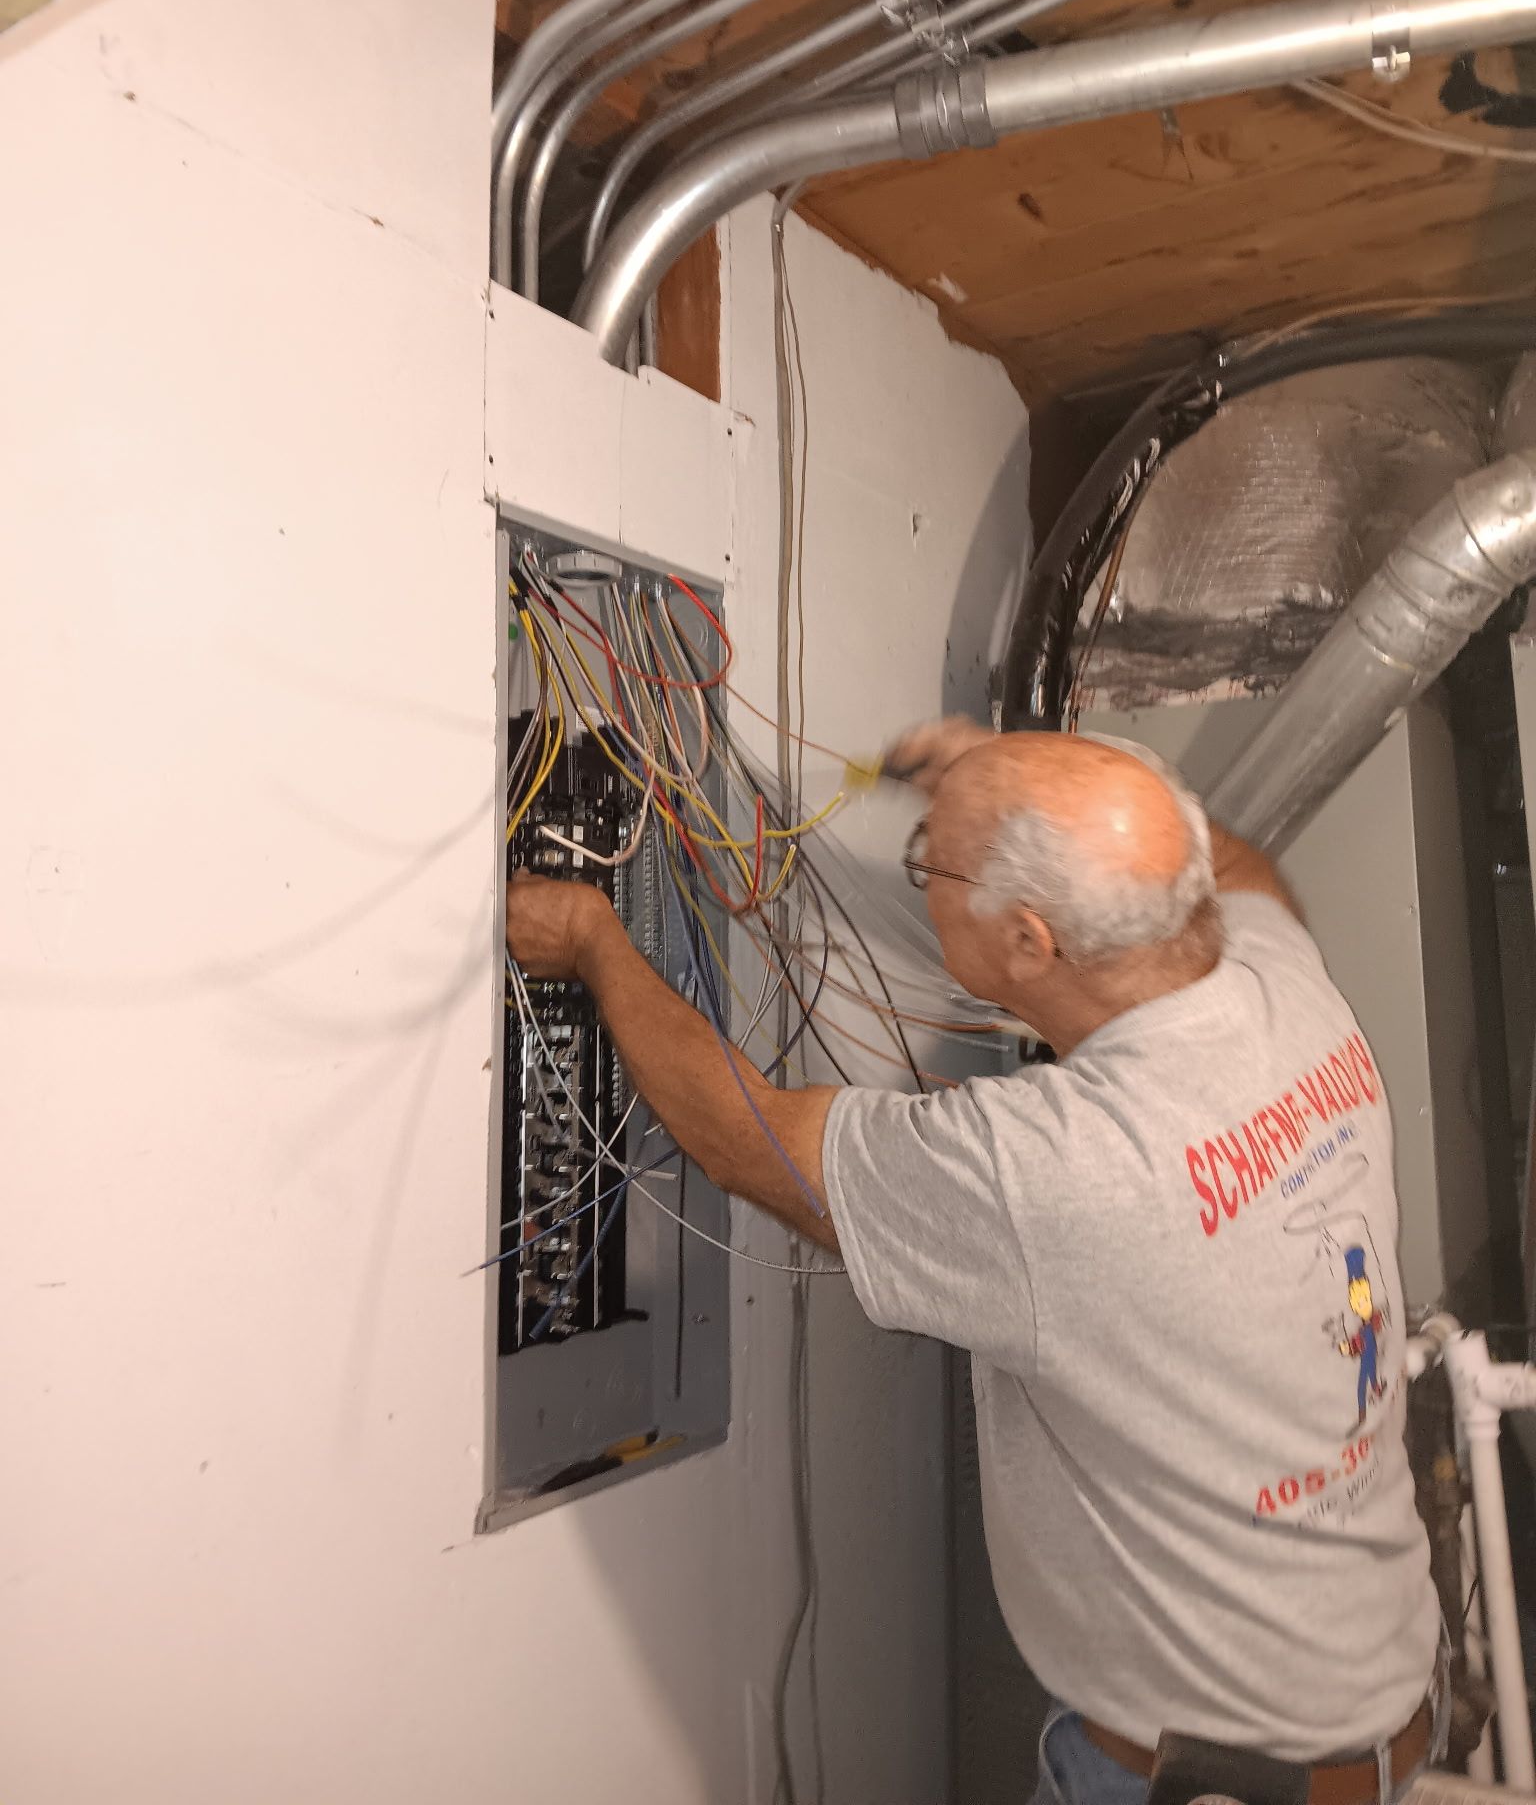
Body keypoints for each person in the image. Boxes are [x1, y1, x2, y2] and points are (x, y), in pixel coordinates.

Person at [505, 716, 1442, 1805]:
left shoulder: (1058, 1166)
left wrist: (595, 947)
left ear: (1029, 942)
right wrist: (1011, 776)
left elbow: (746, 1136)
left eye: (931, 861)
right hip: (1381, 1734)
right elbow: (1234, 863)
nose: (923, 868)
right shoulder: (1290, 993)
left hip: (1194, 1783)